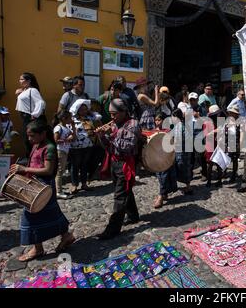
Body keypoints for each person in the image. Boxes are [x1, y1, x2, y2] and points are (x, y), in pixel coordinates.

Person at [9, 121, 75, 262]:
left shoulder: (49, 147)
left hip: (44, 187)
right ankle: (66, 236)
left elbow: (48, 170)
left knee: (29, 215)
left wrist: (24, 169)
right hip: (36, 185)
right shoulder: (36, 145)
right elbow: (33, 163)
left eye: (32, 136)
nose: (29, 139)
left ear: (43, 134)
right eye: (28, 136)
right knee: (52, 213)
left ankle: (37, 249)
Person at [96, 99, 142, 239]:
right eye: (110, 114)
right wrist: (101, 136)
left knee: (120, 196)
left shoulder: (132, 124)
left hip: (125, 163)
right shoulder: (114, 124)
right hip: (114, 162)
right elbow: (108, 147)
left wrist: (112, 135)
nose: (112, 117)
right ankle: (133, 215)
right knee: (124, 190)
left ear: (123, 112)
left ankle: (113, 228)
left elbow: (127, 146)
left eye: (114, 114)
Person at [69, 99, 98, 194]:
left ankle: (84, 184)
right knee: (75, 166)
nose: (84, 111)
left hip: (88, 146)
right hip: (76, 147)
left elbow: (97, 118)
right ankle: (74, 185)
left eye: (85, 109)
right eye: (81, 110)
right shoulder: (72, 120)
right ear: (77, 110)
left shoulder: (89, 119)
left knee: (84, 165)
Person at [15, 73, 47, 157]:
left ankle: (32, 159)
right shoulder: (27, 90)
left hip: (30, 117)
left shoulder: (33, 90)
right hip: (25, 118)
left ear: (29, 81)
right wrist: (21, 91)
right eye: (20, 79)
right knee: (28, 139)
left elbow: (40, 102)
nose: (20, 81)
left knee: (29, 139)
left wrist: (35, 115)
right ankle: (31, 159)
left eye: (22, 79)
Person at [153, 112, 178, 209]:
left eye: (159, 120)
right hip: (156, 157)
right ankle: (164, 193)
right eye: (156, 120)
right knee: (159, 176)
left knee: (164, 176)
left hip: (166, 157)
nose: (157, 122)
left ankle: (160, 197)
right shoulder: (154, 131)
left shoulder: (168, 131)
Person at [53, 110, 76, 200]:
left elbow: (74, 137)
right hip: (60, 151)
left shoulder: (65, 127)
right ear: (63, 118)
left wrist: (73, 127)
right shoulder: (58, 128)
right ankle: (58, 192)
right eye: (69, 118)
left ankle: (60, 189)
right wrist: (66, 139)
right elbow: (56, 140)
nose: (71, 119)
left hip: (65, 151)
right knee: (59, 172)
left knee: (61, 171)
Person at [172, 109, 194, 195]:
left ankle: (188, 187)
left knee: (183, 167)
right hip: (182, 150)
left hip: (183, 151)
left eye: (173, 117)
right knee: (183, 167)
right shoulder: (178, 125)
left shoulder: (181, 126)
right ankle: (187, 186)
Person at [203, 105, 225, 188]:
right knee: (210, 163)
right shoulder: (207, 122)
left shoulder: (219, 121)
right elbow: (206, 135)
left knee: (219, 163)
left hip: (219, 144)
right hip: (210, 144)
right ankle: (209, 180)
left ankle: (219, 180)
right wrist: (215, 131)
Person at [224, 105, 242, 184]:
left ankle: (234, 175)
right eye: (230, 113)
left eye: (232, 113)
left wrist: (240, 145)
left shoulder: (240, 123)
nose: (231, 114)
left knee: (234, 160)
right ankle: (224, 173)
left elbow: (242, 134)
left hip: (236, 143)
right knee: (225, 159)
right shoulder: (227, 121)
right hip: (227, 143)